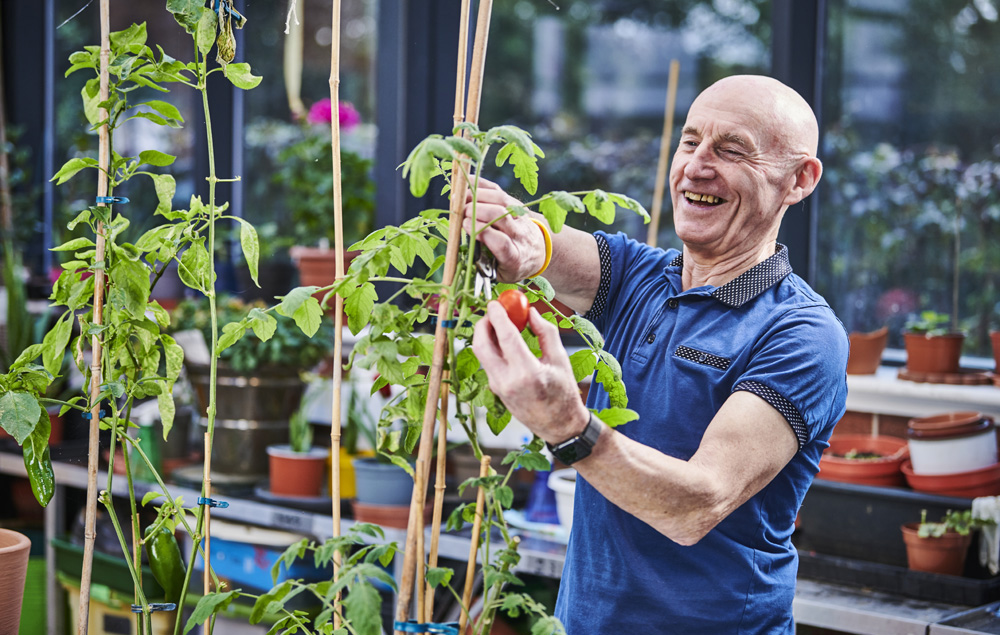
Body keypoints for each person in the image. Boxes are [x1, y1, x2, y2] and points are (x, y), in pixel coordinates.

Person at [468, 75, 849, 634]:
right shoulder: (639, 277)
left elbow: (699, 503)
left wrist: (568, 427)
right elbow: (548, 245)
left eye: (732, 150)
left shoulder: (801, 333)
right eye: (690, 142)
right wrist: (519, 239)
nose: (696, 166)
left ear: (799, 180)